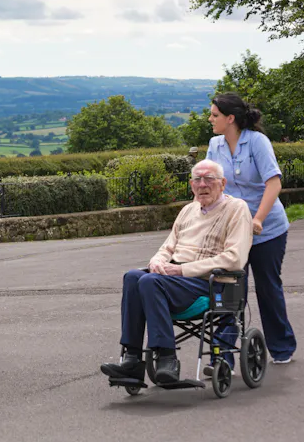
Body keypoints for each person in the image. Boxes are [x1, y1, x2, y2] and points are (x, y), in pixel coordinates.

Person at [100, 160, 252, 384]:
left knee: (150, 282)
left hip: (209, 284)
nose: (202, 184)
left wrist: (182, 270)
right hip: (174, 283)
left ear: (222, 183)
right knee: (133, 277)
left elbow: (235, 258)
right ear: (191, 185)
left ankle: (167, 359)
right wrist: (158, 261)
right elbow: (168, 247)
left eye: (209, 179)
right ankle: (132, 359)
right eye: (197, 180)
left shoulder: (236, 209)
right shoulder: (187, 211)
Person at [206, 92, 297, 368]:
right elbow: (211, 184)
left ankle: (281, 347)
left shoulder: (257, 142)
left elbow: (273, 184)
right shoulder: (215, 145)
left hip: (267, 229)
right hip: (233, 231)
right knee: (229, 290)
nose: (210, 119)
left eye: (214, 115)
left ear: (230, 118)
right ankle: (223, 359)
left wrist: (257, 219)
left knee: (268, 288)